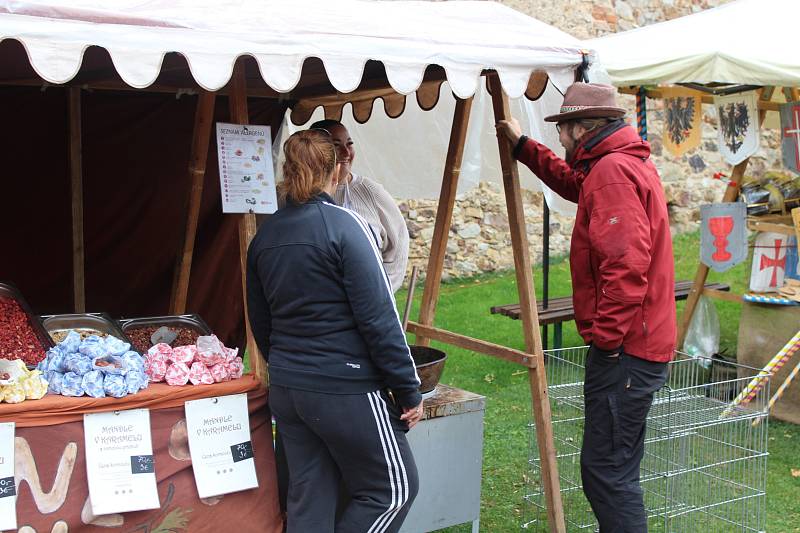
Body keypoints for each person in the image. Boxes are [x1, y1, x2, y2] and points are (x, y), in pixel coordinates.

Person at [497, 82, 676, 532]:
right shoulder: (612, 166)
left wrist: (607, 342)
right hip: (636, 347)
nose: (559, 136)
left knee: (607, 476)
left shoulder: (613, 173)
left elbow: (625, 266)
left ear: (583, 128)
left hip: (628, 351)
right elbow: (577, 185)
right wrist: (524, 146)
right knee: (614, 471)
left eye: (562, 128)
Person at [247, 130, 422, 533]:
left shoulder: (266, 236)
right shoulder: (346, 226)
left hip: (290, 391)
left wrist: (292, 368)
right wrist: (408, 389)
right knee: (393, 492)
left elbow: (261, 321)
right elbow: (379, 317)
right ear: (338, 171)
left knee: (310, 501)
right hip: (344, 387)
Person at [309, 119, 410, 293]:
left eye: (349, 144)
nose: (346, 152)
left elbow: (399, 243)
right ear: (315, 151)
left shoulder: (369, 192)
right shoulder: (297, 196)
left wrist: (380, 291)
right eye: (336, 145)